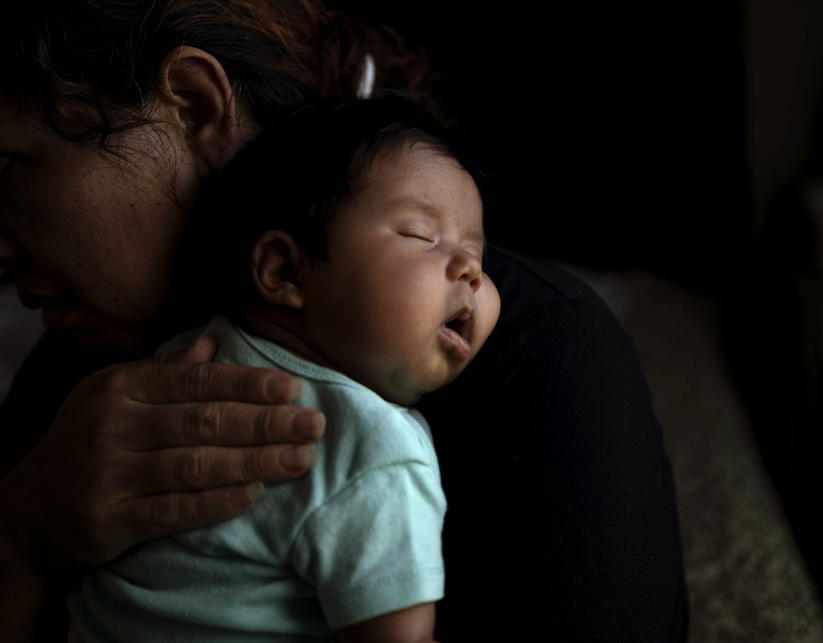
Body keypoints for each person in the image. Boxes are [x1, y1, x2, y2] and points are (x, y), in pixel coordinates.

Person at [0, 1, 687, 640]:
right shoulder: (81, 374)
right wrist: (21, 534)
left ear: (195, 106)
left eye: (8, 166)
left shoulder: (541, 362)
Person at [68, 95, 501, 641]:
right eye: (421, 235)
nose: (470, 272)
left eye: (479, 257)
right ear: (283, 269)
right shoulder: (377, 453)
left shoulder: (180, 359)